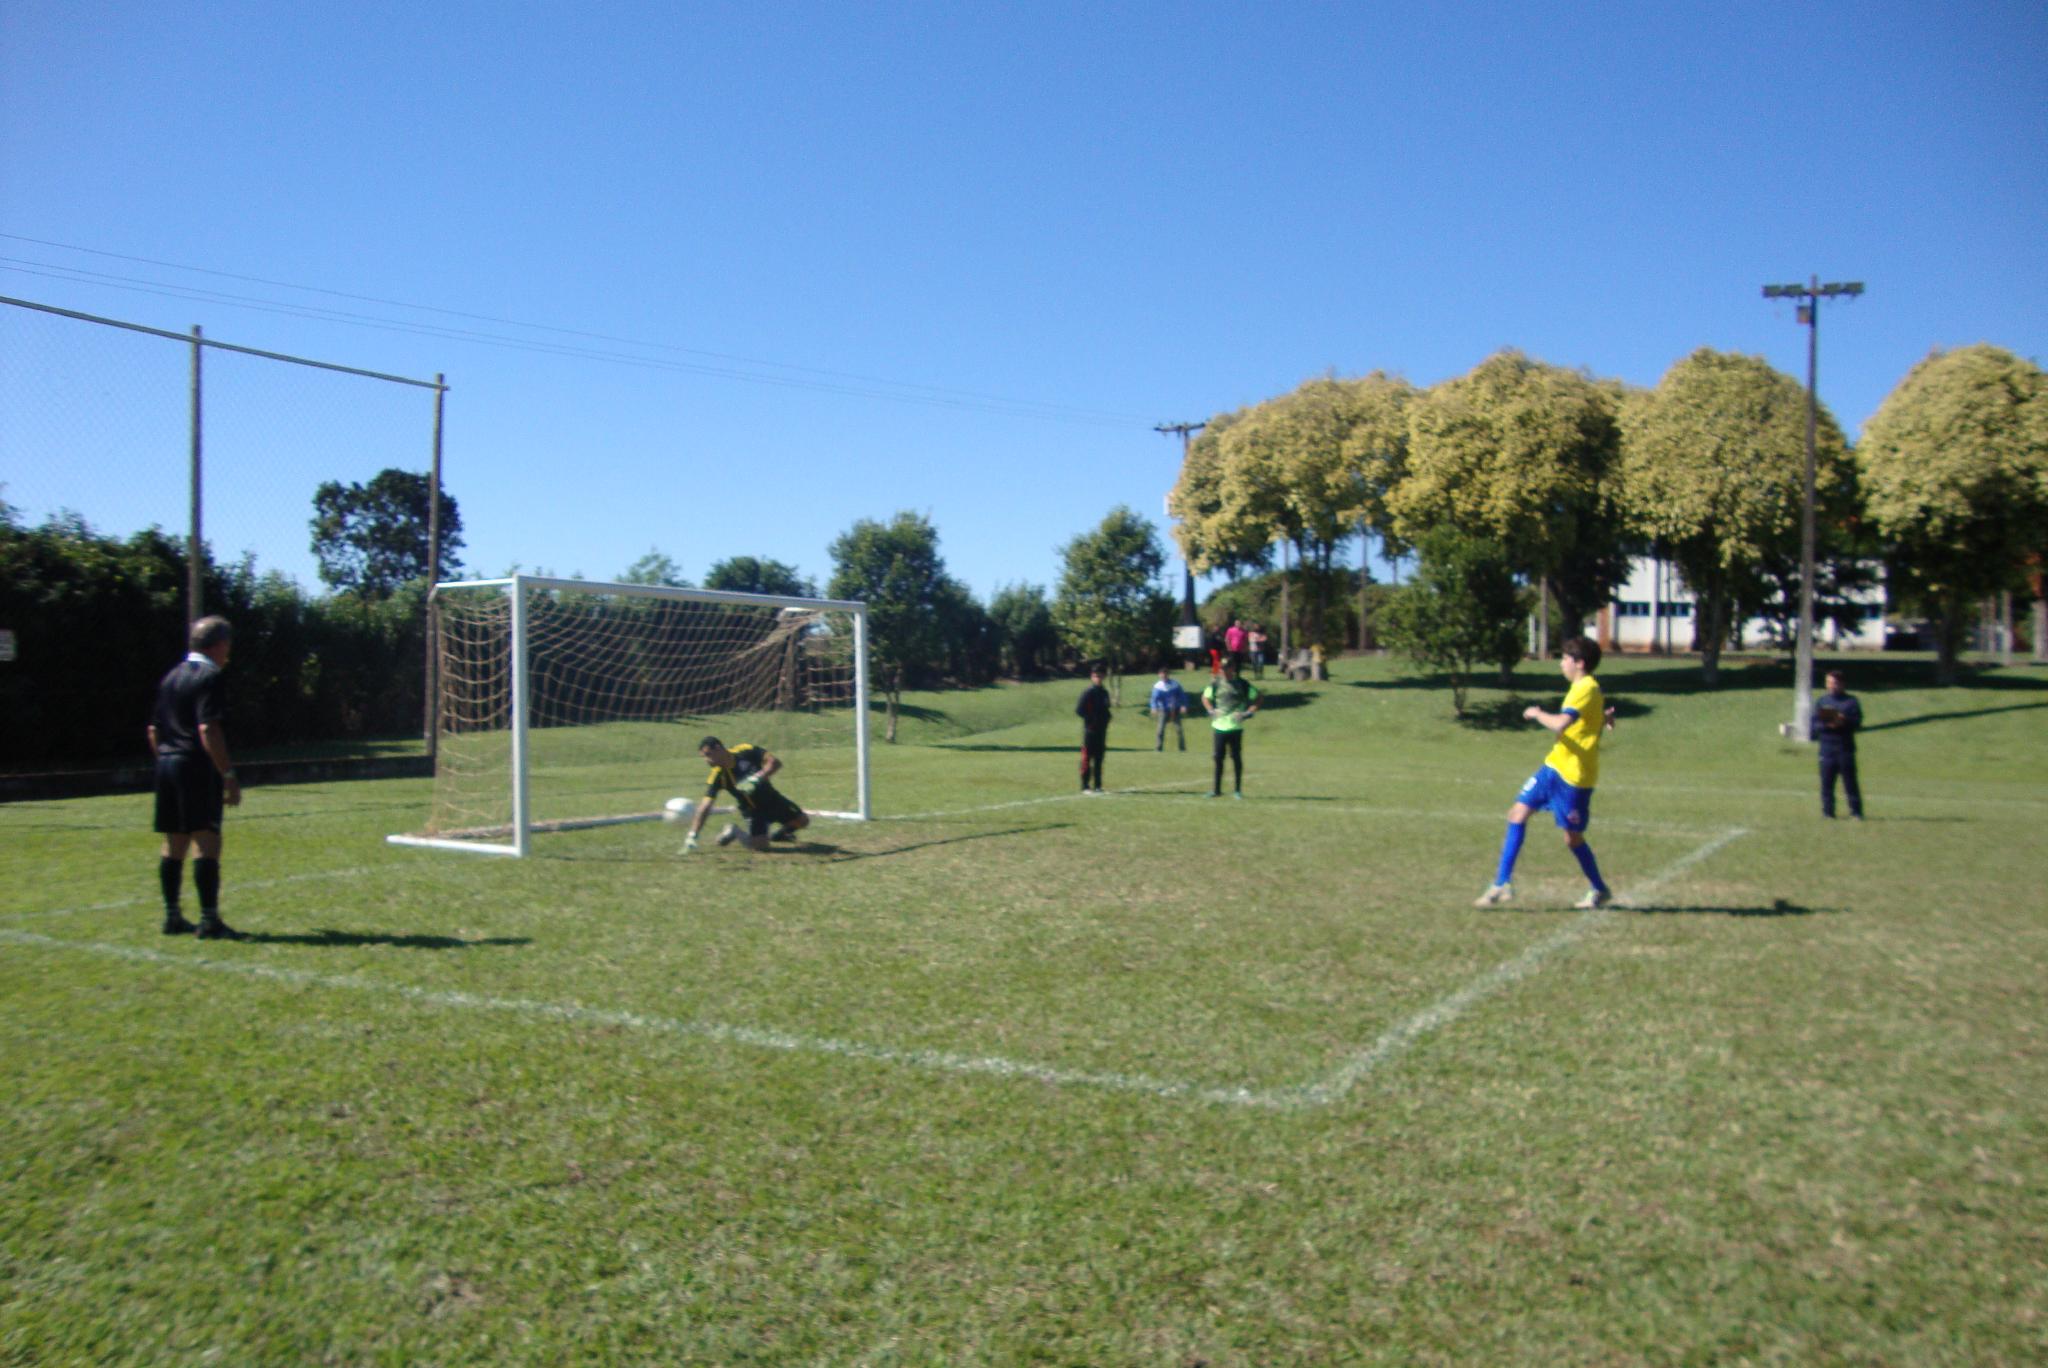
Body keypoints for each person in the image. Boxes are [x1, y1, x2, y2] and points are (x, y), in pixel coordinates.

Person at [1475, 636, 1618, 910]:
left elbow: (1561, 723)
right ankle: (1502, 883)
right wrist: (1605, 718)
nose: (1561, 664)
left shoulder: (1585, 688)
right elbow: (1591, 717)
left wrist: (1537, 713)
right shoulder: (1586, 688)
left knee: (1572, 838)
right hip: (1554, 766)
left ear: (1580, 663)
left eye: (1565, 659)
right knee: (1517, 814)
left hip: (1575, 777)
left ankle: (1600, 889)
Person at [148, 615, 244, 939]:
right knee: (207, 840)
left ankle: (172, 916)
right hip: (196, 765)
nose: (228, 652)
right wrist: (227, 773)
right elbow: (208, 729)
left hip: (166, 763)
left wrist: (168, 761)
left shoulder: (171, 677)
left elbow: (153, 730)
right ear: (219, 645)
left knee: (174, 841)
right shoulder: (210, 676)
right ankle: (209, 920)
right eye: (228, 645)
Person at [679, 736, 810, 853]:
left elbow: (775, 762)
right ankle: (735, 832)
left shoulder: (745, 751)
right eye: (704, 757)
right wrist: (692, 835)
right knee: (760, 847)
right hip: (753, 810)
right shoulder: (717, 776)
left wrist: (756, 779)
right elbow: (705, 806)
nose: (707, 760)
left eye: (708, 755)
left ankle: (779, 835)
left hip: (773, 799)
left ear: (718, 748)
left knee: (803, 821)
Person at [1201, 659, 1260, 798]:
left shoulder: (1242, 684)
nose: (1224, 671)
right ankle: (1216, 790)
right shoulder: (1216, 684)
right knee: (1218, 759)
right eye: (1222, 668)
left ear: (1232, 668)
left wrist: (1247, 713)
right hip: (1219, 727)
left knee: (1236, 758)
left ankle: (1237, 790)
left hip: (1235, 728)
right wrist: (1211, 710)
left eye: (1226, 668)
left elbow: (1258, 698)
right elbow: (1205, 697)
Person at [1811, 669, 1864, 819]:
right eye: (1828, 682)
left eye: (1834, 683)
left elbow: (1857, 723)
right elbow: (1814, 724)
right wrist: (1826, 725)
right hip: (1827, 748)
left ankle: (1856, 812)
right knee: (1826, 783)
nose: (1831, 685)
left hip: (1845, 748)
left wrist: (1843, 721)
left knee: (1850, 783)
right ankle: (1828, 812)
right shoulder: (1822, 701)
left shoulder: (1851, 702)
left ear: (1841, 684)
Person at [1076, 665, 1113, 793]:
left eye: (1100, 675)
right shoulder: (1088, 692)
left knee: (1099, 758)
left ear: (1104, 676)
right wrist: (1091, 720)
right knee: (1087, 757)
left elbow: (1106, 709)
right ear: (1092, 677)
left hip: (1101, 731)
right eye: (1095, 676)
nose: (1098, 678)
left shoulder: (1104, 692)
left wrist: (1107, 719)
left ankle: (1098, 785)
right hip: (1090, 730)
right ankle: (1085, 785)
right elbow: (1079, 710)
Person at [1148, 667, 1189, 752]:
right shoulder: (1158, 686)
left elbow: (1182, 695)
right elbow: (1154, 699)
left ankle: (1182, 748)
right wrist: (1154, 707)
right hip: (1163, 710)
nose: (1163, 676)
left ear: (1168, 675)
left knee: (1179, 730)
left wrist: (1183, 705)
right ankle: (1158, 748)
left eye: (1165, 674)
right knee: (1160, 730)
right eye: (1162, 675)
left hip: (1175, 709)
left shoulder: (1175, 684)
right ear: (1159, 675)